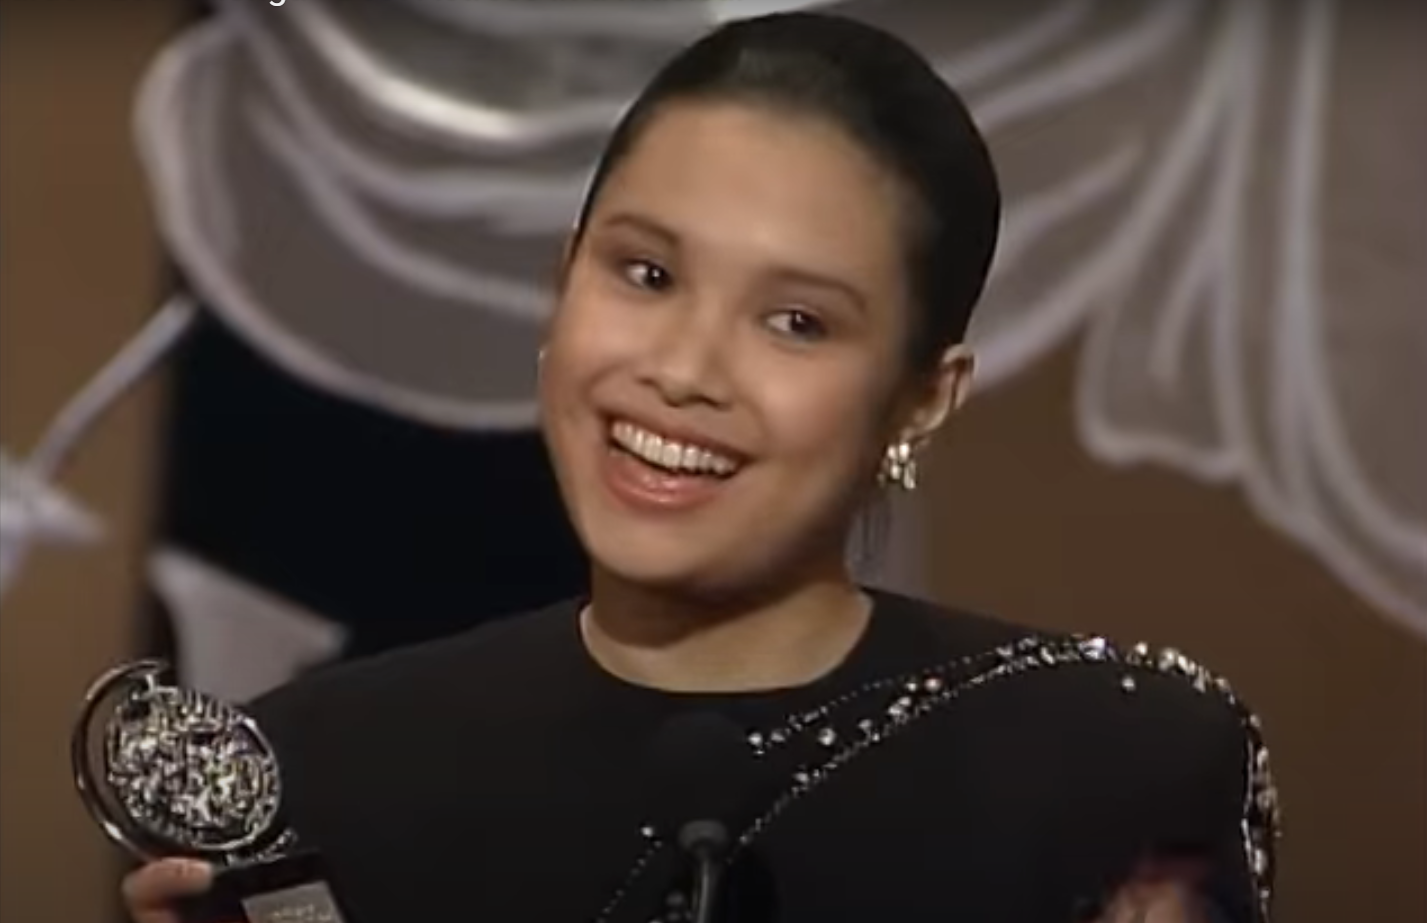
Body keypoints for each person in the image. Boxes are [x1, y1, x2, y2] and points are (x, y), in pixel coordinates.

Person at [122, 11, 1278, 923]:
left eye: (795, 323)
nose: (681, 369)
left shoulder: (1107, 768)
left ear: (921, 397)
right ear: (560, 284)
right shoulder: (318, 774)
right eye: (645, 276)